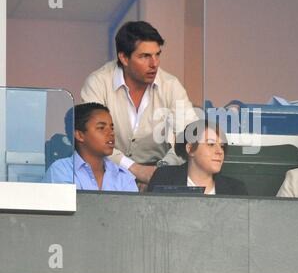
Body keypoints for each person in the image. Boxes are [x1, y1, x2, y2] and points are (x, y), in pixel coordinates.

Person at [81, 21, 198, 185]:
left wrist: (160, 171)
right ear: (124, 58)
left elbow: (190, 139)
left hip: (159, 173)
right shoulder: (98, 83)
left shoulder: (171, 86)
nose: (154, 64)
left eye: (157, 54)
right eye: (145, 56)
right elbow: (92, 140)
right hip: (106, 172)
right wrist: (134, 169)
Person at [43, 103, 138, 192]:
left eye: (112, 128)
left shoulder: (124, 176)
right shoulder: (61, 171)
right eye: (101, 128)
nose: (111, 133)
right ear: (80, 135)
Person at [147, 119, 248, 196]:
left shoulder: (236, 190)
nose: (220, 151)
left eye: (222, 146)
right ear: (190, 148)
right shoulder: (164, 179)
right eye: (211, 144)